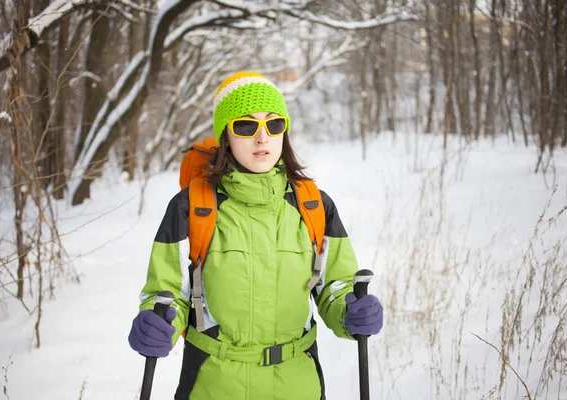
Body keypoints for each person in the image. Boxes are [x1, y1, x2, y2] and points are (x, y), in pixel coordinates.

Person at [128, 72, 383, 400]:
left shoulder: (314, 205)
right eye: (246, 126)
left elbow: (334, 286)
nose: (262, 138)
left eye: (274, 124)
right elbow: (168, 294)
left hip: (297, 386)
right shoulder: (191, 207)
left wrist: (351, 311)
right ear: (226, 136)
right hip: (214, 385)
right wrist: (156, 321)